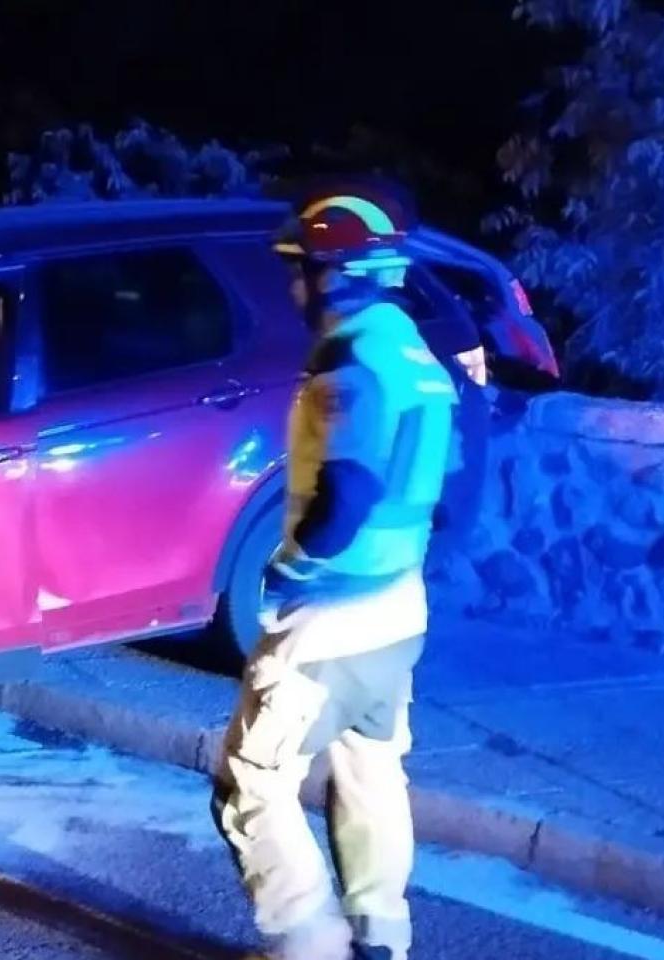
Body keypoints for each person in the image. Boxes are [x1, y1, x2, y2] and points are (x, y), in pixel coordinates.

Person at [211, 184, 457, 960]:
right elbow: (459, 487)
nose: (293, 288)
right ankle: (381, 940)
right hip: (399, 614)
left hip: (329, 620)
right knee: (370, 772)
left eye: (301, 270)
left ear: (337, 273)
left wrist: (296, 568)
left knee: (249, 786)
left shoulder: (351, 361)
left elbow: (346, 494)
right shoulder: (418, 355)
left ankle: (307, 944)